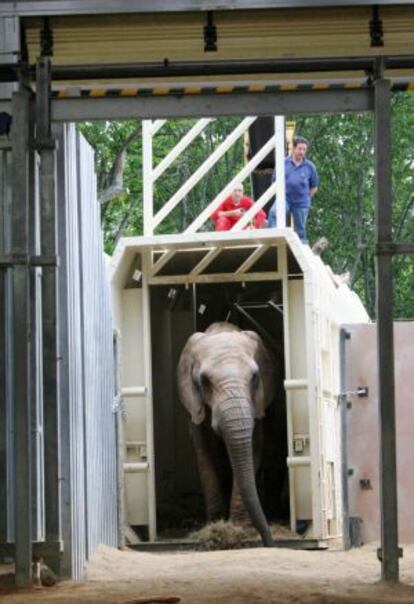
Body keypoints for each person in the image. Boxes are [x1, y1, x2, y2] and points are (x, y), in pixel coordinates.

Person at [268, 136, 319, 243]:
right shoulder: (283, 163)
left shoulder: (310, 166)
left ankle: (302, 250)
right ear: (294, 148)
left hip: (301, 202)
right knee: (273, 213)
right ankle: (273, 241)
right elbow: (274, 181)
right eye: (300, 148)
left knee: (300, 229)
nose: (302, 152)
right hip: (285, 198)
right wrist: (279, 196)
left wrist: (307, 198)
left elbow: (314, 187)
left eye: (304, 149)